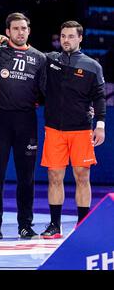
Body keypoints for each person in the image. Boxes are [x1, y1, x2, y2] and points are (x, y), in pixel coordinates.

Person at [40, 21, 106, 238]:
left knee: (82, 177)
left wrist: (100, 125)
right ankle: (54, 226)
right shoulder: (50, 60)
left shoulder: (92, 66)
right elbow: (27, 54)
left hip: (81, 131)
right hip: (54, 130)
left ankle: (83, 225)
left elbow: (99, 97)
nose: (66, 40)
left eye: (70, 36)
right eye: (63, 36)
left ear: (80, 38)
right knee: (54, 177)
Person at [0, 12, 46, 239]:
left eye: (24, 28)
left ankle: (25, 224)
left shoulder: (39, 58)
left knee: (26, 176)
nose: (20, 32)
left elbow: (47, 91)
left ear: (28, 31)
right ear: (7, 32)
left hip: (26, 121)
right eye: (16, 29)